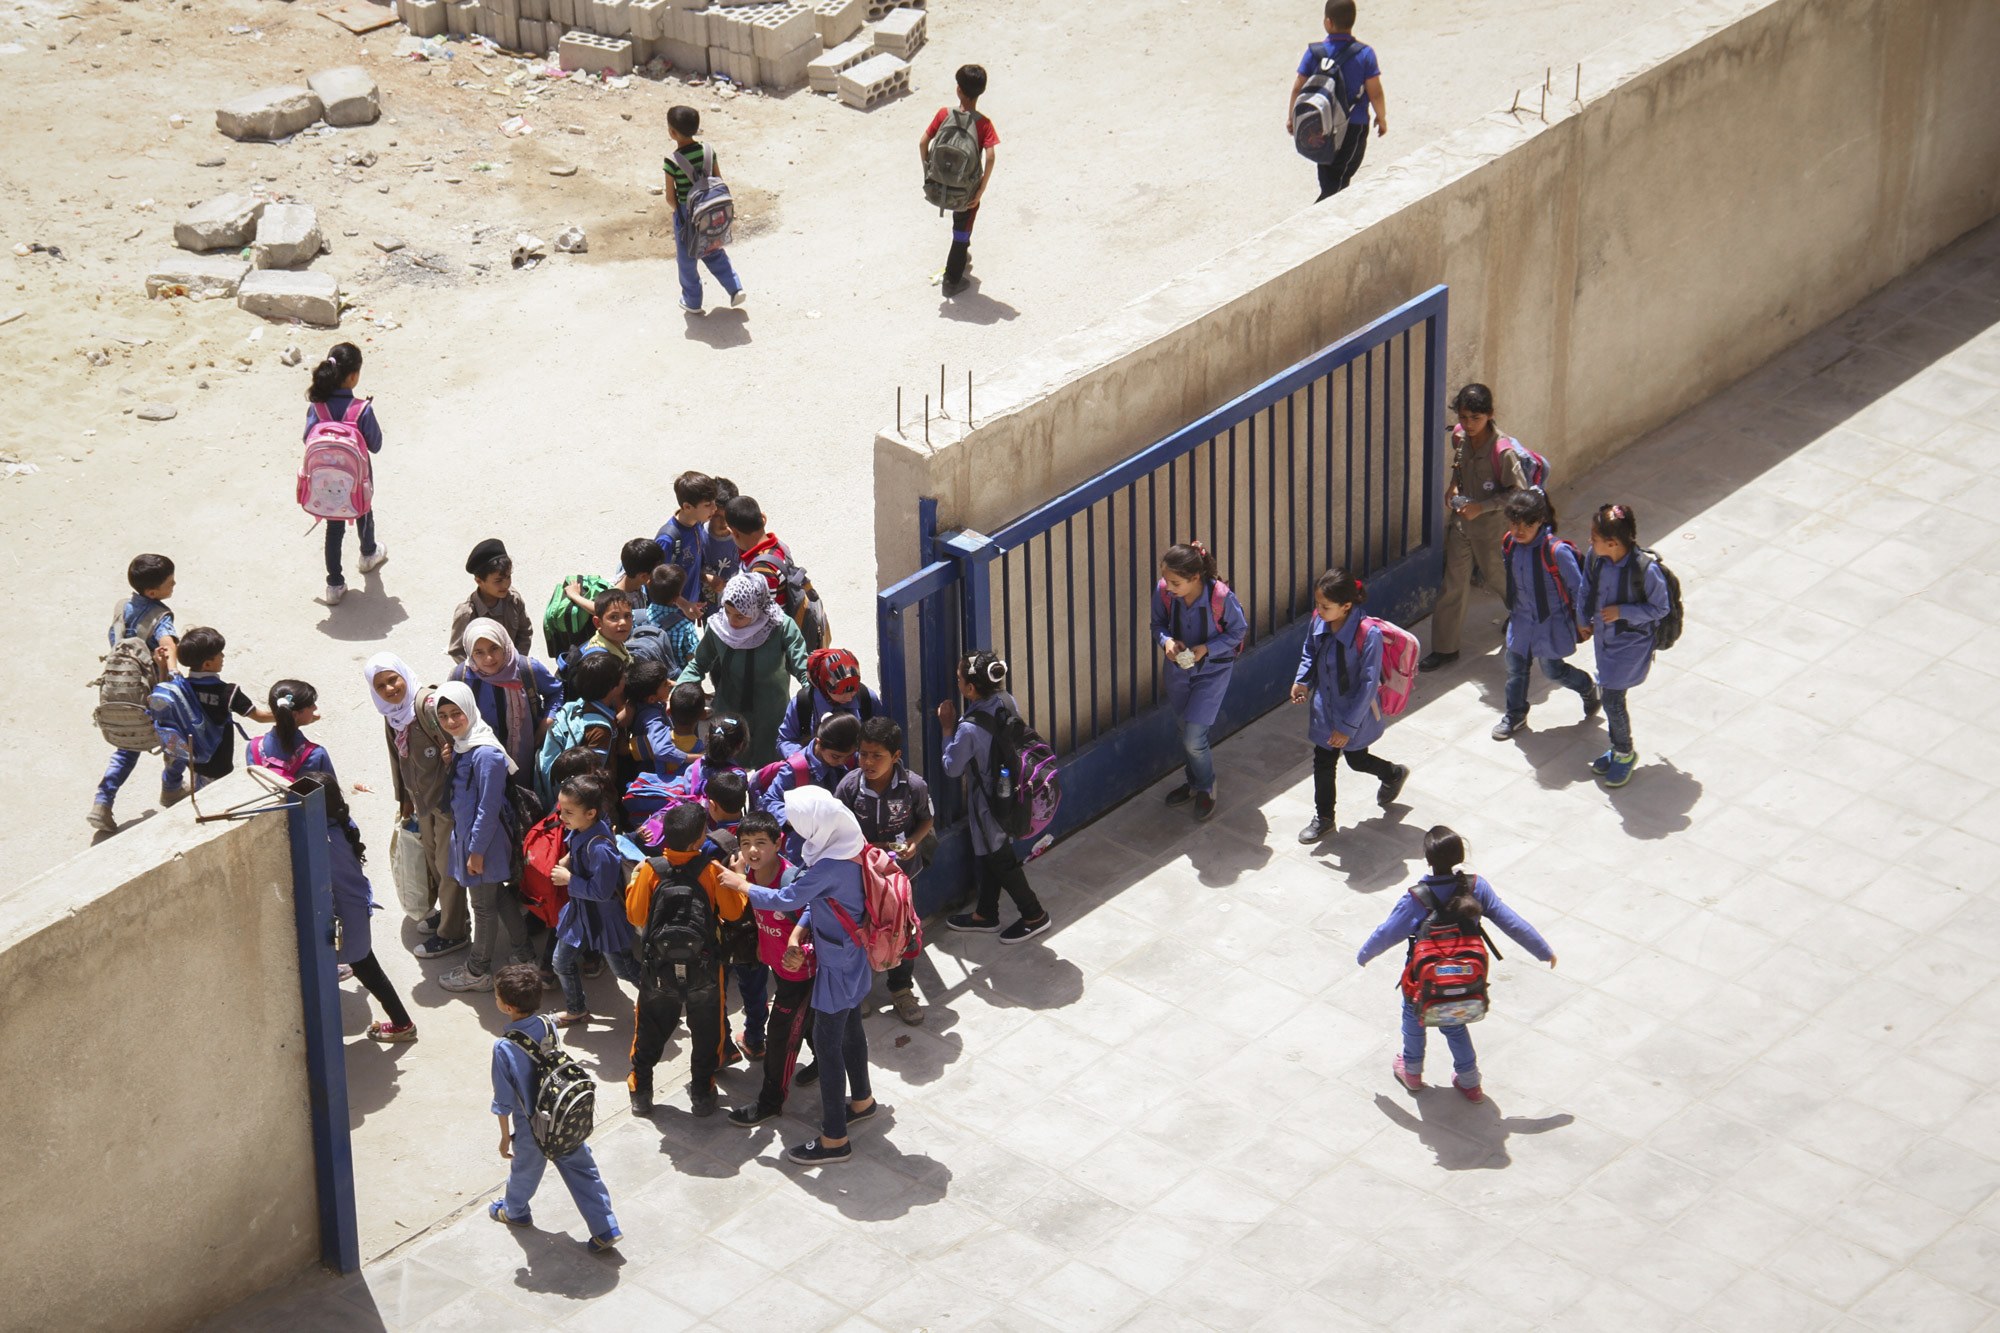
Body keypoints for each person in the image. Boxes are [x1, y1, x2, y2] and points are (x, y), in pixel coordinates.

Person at [249, 679, 416, 1041]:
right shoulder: (315, 758)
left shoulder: (253, 750)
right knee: (357, 953)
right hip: (319, 855)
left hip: (275, 850)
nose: (316, 712)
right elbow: (333, 801)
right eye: (311, 707)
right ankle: (399, 1020)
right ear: (297, 714)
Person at [717, 789, 875, 1164]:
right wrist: (797, 932)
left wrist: (742, 885)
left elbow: (787, 899)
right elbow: (820, 902)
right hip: (851, 957)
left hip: (835, 967)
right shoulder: (849, 845)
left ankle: (835, 1139)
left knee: (829, 1048)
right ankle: (863, 1101)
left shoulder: (826, 866)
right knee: (852, 1032)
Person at [1356, 826, 1554, 1101]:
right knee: (1454, 1024)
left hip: (1423, 979)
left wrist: (1365, 954)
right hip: (1464, 978)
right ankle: (1470, 1082)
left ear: (1427, 859)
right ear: (1460, 855)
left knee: (1414, 1019)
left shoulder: (1418, 896)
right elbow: (1511, 922)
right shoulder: (1477, 887)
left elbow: (1388, 932)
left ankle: (1411, 1071)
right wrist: (1543, 951)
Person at [623, 802, 750, 1117]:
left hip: (658, 969)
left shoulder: (650, 870)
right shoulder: (710, 871)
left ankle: (641, 1089)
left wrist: (633, 882)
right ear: (699, 840)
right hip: (705, 969)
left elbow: (635, 915)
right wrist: (739, 879)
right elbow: (733, 913)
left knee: (650, 1027)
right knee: (707, 1031)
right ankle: (703, 1094)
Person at [487, 963, 623, 1251]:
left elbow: (503, 1101)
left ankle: (515, 1211)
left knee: (524, 1171)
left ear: (508, 1007)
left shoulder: (504, 1047)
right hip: (564, 1116)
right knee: (583, 1170)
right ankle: (606, 1227)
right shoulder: (548, 1024)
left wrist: (503, 1136)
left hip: (531, 1126)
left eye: (496, 996)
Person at [939, 651, 1051, 944]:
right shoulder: (1006, 700)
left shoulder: (968, 728)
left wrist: (947, 729)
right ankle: (985, 914)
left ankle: (1034, 914)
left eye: (960, 679)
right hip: (1012, 792)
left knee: (1001, 859)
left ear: (970, 689)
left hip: (989, 803)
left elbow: (952, 768)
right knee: (991, 852)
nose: (959, 682)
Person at [1290, 569, 1410, 843]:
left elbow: (1368, 686)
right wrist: (1302, 681)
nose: (1319, 611)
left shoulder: (1369, 635)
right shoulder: (1318, 620)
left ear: (1346, 606)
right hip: (1325, 708)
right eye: (1317, 604)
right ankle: (1324, 817)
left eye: (1325, 606)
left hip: (1355, 713)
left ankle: (1393, 773)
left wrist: (1347, 727)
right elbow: (1310, 650)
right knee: (1323, 760)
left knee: (1357, 760)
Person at [365, 653, 469, 961]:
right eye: (380, 685)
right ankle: (451, 915)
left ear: (404, 675)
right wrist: (405, 799)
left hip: (447, 802)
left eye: (393, 679)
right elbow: (397, 758)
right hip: (423, 801)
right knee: (434, 862)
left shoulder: (427, 707)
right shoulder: (392, 713)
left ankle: (454, 932)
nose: (389, 689)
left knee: (447, 867)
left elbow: (461, 742)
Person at [1421, 383, 1530, 672]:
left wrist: (1482, 507)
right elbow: (1459, 468)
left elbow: (1520, 495)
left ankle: (1525, 619)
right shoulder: (1460, 437)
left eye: (1475, 418)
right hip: (1462, 527)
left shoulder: (1503, 452)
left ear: (1490, 415)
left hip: (1492, 532)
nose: (1468, 425)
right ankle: (1445, 649)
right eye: (1464, 417)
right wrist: (1453, 487)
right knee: (1452, 586)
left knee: (1499, 580)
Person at [835, 715, 935, 1025]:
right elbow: (837, 829)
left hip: (899, 877)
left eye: (877, 755)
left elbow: (925, 820)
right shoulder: (849, 787)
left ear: (895, 757)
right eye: (863, 753)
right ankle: (861, 991)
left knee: (900, 932)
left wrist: (914, 843)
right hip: (860, 877)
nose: (868, 761)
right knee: (860, 930)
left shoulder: (913, 786)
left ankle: (901, 990)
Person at [434, 681, 531, 994]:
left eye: (456, 713)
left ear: (470, 711)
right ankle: (524, 952)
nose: (450, 722)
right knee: (496, 897)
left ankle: (478, 969)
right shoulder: (465, 745)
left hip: (483, 844)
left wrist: (475, 852)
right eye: (444, 716)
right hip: (474, 841)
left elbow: (488, 809)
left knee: (483, 907)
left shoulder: (485, 754)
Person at [725, 809, 817, 1126]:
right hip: (777, 968)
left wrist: (802, 948)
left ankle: (770, 1102)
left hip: (801, 974)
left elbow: (817, 917)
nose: (753, 850)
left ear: (779, 844)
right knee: (807, 1023)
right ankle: (823, 1061)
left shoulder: (791, 880)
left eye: (761, 843)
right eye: (746, 842)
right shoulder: (748, 874)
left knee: (779, 1036)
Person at [1151, 541, 1248, 821]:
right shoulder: (1164, 592)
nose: (1168, 587)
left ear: (1195, 578)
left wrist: (1207, 648)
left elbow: (1238, 631)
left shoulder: (1221, 597)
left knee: (1194, 737)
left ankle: (1206, 786)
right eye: (1166, 580)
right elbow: (1157, 625)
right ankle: (1194, 783)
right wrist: (1167, 641)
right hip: (1178, 672)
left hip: (1213, 671)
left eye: (1175, 582)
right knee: (1185, 731)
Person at [89, 553, 186, 832]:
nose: (175, 584)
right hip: (152, 693)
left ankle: (102, 803)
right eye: (170, 582)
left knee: (127, 747)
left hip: (119, 690)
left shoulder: (122, 607)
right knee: (176, 739)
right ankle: (171, 788)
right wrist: (174, 675)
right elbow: (167, 644)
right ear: (153, 592)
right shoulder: (160, 615)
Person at [1492, 489, 1599, 740]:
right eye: (1515, 522)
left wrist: (1584, 622)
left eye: (1527, 524)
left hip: (1551, 624)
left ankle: (1587, 687)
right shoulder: (1509, 543)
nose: (1519, 530)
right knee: (1515, 668)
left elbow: (1579, 589)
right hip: (1520, 620)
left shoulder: (1556, 552)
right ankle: (1515, 715)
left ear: (1541, 520)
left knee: (1553, 671)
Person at [676, 571, 810, 767]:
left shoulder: (780, 626)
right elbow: (699, 663)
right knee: (728, 773)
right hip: (730, 716)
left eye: (740, 615)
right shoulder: (718, 628)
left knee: (770, 774)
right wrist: (678, 692)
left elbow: (802, 666)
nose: (731, 621)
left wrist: (814, 697)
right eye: (728, 612)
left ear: (756, 609)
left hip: (771, 715)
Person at [1584, 503, 1672, 787]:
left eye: (1594, 538)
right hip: (1604, 642)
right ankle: (1616, 747)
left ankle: (1624, 752)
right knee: (1610, 696)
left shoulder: (1645, 571)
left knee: (1612, 700)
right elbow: (1586, 586)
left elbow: (1661, 608)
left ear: (1612, 543)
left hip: (1630, 646)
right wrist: (1581, 619)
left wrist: (1623, 611)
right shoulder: (1595, 558)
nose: (1589, 542)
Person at [548, 774, 644, 1025]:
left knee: (624, 969)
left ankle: (661, 997)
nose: (562, 817)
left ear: (590, 813)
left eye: (568, 812)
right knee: (561, 961)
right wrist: (570, 860)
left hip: (604, 919)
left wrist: (569, 879)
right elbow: (577, 846)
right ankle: (576, 1009)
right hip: (581, 913)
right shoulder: (585, 827)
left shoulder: (601, 848)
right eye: (561, 810)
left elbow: (601, 892)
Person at [307, 342, 389, 606]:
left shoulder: (317, 408)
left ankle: (334, 584)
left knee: (334, 527)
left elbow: (307, 439)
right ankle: (368, 554)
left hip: (325, 485)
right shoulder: (361, 410)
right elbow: (375, 445)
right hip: (358, 482)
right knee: (364, 512)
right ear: (353, 376)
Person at [1287, 0, 1387, 203]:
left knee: (1330, 178)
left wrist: (1292, 118)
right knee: (1338, 184)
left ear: (1328, 22)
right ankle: (1315, 223)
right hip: (1353, 125)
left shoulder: (1315, 53)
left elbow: (1298, 87)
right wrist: (1381, 117)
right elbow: (1375, 92)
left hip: (1321, 125)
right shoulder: (1365, 54)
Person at [919, 63, 999, 298]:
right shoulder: (984, 124)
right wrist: (980, 192)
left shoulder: (945, 114)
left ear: (958, 90)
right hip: (966, 192)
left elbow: (923, 142)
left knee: (961, 232)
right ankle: (952, 280)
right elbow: (991, 156)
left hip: (939, 186)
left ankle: (962, 256)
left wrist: (929, 174)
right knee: (962, 230)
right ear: (982, 91)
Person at [451, 619, 565, 781]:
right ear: (470, 653)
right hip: (482, 757)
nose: (489, 658)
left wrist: (547, 721)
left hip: (528, 752)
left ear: (504, 644)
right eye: (479, 652)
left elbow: (555, 692)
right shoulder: (461, 676)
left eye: (494, 648)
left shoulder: (526, 668)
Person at [163, 626, 274, 792]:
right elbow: (260, 716)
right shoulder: (228, 693)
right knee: (213, 799)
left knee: (200, 789)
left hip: (193, 758)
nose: (223, 656)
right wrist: (291, 715)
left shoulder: (181, 688)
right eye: (219, 654)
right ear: (207, 664)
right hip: (218, 765)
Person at [664, 105, 746, 316]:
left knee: (687, 260)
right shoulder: (708, 151)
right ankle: (734, 287)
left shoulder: (672, 162)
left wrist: (683, 213)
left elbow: (670, 198)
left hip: (687, 216)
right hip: (713, 212)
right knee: (713, 250)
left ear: (672, 132)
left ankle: (692, 301)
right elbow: (719, 180)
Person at [777, 648, 882, 759]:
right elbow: (785, 740)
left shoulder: (866, 698)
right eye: (841, 691)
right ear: (823, 684)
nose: (849, 696)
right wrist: (803, 758)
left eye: (853, 689)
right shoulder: (803, 703)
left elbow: (881, 736)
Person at [759, 712, 861, 825]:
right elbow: (770, 801)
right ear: (819, 743)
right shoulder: (797, 769)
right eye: (836, 756)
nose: (842, 762)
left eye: (849, 756)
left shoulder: (853, 761)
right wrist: (794, 819)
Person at [449, 538, 534, 663]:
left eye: (508, 576)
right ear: (479, 581)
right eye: (498, 581)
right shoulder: (467, 613)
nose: (506, 584)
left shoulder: (514, 600)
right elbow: (456, 651)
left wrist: (516, 662)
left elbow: (525, 632)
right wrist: (482, 671)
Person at [655, 470, 716, 607]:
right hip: (672, 616)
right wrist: (683, 604)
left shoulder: (697, 525)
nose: (714, 508)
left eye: (714, 502)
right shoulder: (667, 539)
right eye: (707, 505)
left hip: (691, 608)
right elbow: (656, 583)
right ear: (687, 507)